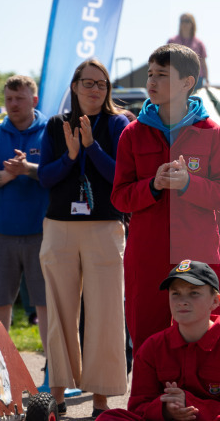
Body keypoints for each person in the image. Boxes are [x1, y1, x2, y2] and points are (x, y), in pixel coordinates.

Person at [112, 44, 220, 354]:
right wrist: (153, 185)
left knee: (201, 337)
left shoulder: (213, 134)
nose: (151, 82)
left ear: (187, 82)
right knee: (146, 336)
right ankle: (146, 402)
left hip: (196, 252)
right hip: (148, 254)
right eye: (150, 74)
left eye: (162, 75)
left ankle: (199, 402)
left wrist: (188, 184)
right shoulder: (132, 134)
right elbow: (119, 198)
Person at [38, 58, 130, 415]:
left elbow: (120, 175)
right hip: (59, 228)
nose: (94, 89)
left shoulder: (118, 124)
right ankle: (57, 396)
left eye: (101, 84)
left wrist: (91, 148)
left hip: (105, 227)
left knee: (105, 313)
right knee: (59, 312)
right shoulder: (54, 126)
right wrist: (70, 157)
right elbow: (45, 177)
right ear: (74, 86)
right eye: (88, 83)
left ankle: (101, 400)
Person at [96, 261, 220, 421]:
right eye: (176, 293)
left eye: (194, 293)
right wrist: (165, 409)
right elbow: (137, 406)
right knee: (108, 418)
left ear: (215, 301)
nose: (182, 301)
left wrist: (193, 404)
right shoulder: (153, 347)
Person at [0, 75, 50, 352]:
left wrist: (28, 169)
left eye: (20, 98)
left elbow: (60, 173)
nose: (13, 104)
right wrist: (7, 174)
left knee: (47, 304)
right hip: (0, 233)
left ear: (34, 100)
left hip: (44, 232)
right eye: (9, 99)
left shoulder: (51, 132)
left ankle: (55, 374)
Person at [167, 12, 209, 91]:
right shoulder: (172, 41)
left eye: (187, 21)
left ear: (192, 24)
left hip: (196, 79)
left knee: (194, 101)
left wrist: (207, 80)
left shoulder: (199, 43)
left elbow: (203, 63)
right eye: (182, 21)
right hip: (177, 78)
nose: (184, 23)